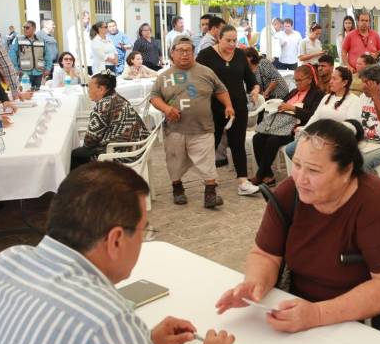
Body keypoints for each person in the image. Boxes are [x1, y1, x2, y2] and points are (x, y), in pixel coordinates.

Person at [0, 161, 243, 344]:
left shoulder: (7, 262)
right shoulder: (104, 319)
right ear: (114, 241)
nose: (144, 239)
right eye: (143, 231)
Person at [216, 119, 380, 344]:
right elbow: (265, 254)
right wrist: (254, 283)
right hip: (321, 309)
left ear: (346, 170)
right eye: (297, 165)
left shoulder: (379, 204)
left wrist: (318, 314)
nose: (300, 178)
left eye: (313, 170)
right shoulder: (290, 194)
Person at [150, 36, 235, 208]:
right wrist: (167, 109)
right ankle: (177, 188)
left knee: (207, 161)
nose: (185, 54)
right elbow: (154, 97)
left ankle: (210, 194)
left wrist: (228, 105)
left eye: (188, 50)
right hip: (175, 129)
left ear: (193, 53)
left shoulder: (206, 72)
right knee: (175, 161)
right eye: (180, 50)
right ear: (172, 54)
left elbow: (221, 89)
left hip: (203, 127)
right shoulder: (164, 76)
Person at [197, 26, 261, 196]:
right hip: (213, 106)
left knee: (237, 143)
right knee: (212, 142)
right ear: (219, 38)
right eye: (228, 40)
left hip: (238, 105)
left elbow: (250, 79)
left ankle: (243, 181)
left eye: (235, 40)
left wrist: (255, 89)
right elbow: (197, 79)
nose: (232, 44)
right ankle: (209, 178)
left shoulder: (240, 55)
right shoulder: (206, 55)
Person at [251, 64, 322, 185]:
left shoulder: (317, 94)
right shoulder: (294, 92)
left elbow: (312, 116)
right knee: (257, 138)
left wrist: (293, 109)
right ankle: (268, 175)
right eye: (295, 80)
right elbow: (282, 104)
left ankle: (259, 175)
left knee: (272, 141)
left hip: (295, 130)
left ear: (309, 80)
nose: (297, 83)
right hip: (279, 126)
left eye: (300, 80)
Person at [70, 73, 150, 169]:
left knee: (75, 155)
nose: (88, 91)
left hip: (122, 154)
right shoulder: (117, 97)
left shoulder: (103, 105)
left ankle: (87, 183)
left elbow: (89, 141)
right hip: (137, 148)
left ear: (101, 89)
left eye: (90, 88)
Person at [284, 66, 361, 158]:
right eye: (331, 78)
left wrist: (330, 134)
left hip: (337, 140)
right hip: (319, 136)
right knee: (290, 149)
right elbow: (316, 116)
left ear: (344, 82)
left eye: (334, 79)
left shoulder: (354, 100)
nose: (330, 81)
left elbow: (352, 126)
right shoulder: (327, 97)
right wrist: (305, 130)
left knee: (307, 153)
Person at [9, 20, 52, 90]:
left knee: (38, 94)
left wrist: (48, 68)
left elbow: (48, 55)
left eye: (27, 28)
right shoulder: (18, 40)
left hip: (39, 73)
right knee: (25, 94)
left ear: (34, 29)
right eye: (24, 28)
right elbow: (12, 55)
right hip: (24, 74)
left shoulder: (41, 41)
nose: (25, 29)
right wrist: (16, 68)